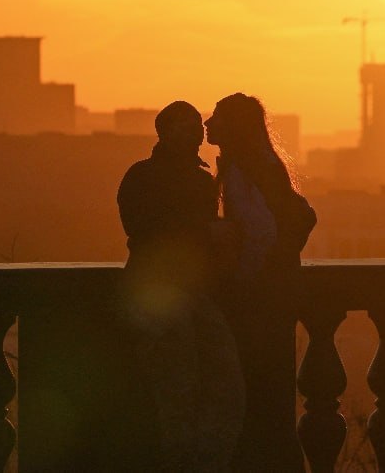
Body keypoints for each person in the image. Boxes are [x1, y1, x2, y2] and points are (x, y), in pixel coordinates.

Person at [116, 100, 245, 472]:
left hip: (186, 293)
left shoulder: (199, 180)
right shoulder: (144, 176)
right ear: (163, 132)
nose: (194, 133)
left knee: (209, 384)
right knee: (176, 389)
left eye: (195, 127)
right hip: (160, 294)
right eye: (183, 126)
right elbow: (143, 230)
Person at [205, 93, 317, 472]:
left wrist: (244, 276)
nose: (208, 123)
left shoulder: (246, 166)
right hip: (274, 293)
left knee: (258, 390)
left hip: (261, 296)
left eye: (216, 117)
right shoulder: (257, 162)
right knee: (271, 389)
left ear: (233, 125)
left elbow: (261, 231)